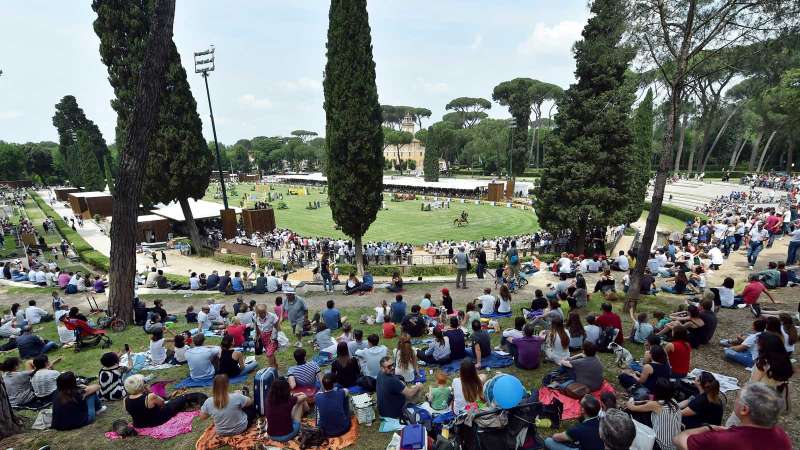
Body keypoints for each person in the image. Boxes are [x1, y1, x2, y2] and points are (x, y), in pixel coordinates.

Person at [673, 383, 792, 450]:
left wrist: (707, 428)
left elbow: (679, 440)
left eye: (737, 397)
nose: (735, 401)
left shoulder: (721, 439)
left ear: (744, 409)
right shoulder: (783, 437)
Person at [625, 378, 681, 450]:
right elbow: (650, 403)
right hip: (675, 444)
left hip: (661, 445)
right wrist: (641, 402)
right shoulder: (673, 401)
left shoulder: (655, 405)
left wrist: (629, 401)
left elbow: (632, 407)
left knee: (637, 414)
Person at [124, 374, 194, 428]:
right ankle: (186, 397)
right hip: (157, 421)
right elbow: (163, 404)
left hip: (139, 425)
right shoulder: (150, 397)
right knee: (180, 399)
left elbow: (131, 412)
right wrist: (148, 391)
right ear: (141, 385)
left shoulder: (125, 399)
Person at [265, 377, 310, 441]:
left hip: (271, 435)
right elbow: (304, 396)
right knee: (300, 402)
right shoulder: (289, 401)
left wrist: (294, 396)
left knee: (297, 402)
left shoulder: (268, 400)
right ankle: (307, 412)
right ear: (286, 390)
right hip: (286, 435)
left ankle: (307, 411)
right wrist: (300, 393)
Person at [315, 373, 352, 437]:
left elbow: (319, 393)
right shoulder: (340, 393)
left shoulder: (317, 396)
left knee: (318, 405)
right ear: (334, 384)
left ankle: (319, 423)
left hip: (325, 432)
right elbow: (346, 390)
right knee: (345, 397)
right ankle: (345, 414)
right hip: (344, 428)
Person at [253, 304, 280, 369]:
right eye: (260, 313)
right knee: (270, 354)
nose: (262, 314)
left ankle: (272, 370)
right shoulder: (255, 317)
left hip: (272, 338)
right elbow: (256, 326)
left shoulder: (272, 316)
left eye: (264, 312)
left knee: (269, 354)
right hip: (263, 338)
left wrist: (276, 337)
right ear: (257, 312)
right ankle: (275, 365)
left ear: (266, 310)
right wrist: (257, 336)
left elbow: (278, 327)